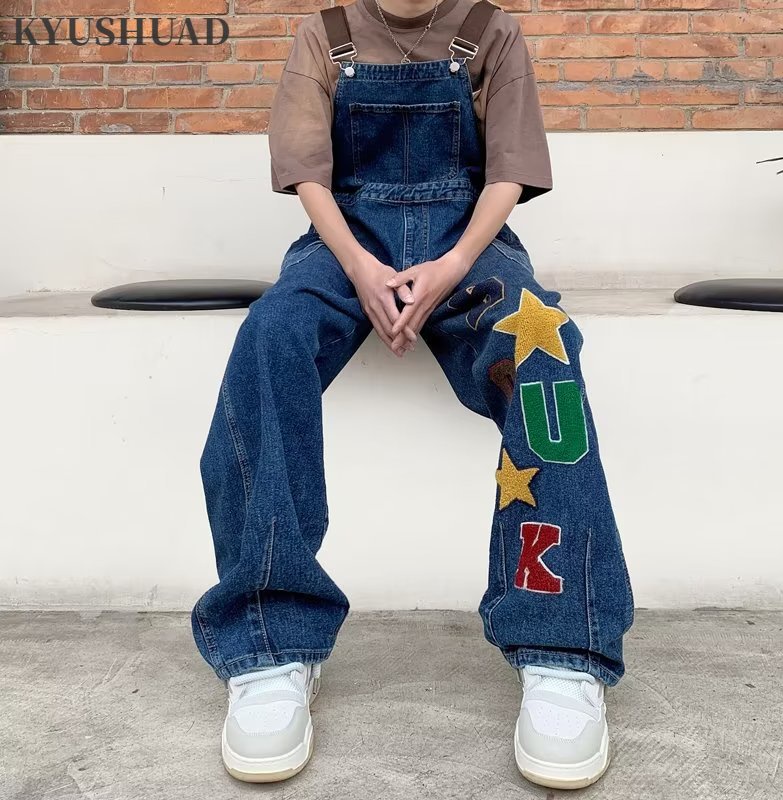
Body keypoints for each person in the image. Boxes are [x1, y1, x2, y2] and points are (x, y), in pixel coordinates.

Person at [190, 0, 635, 789]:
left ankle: (561, 645)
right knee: (268, 337)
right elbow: (308, 175)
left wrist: (453, 266)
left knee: (547, 353)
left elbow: (506, 174)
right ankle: (269, 640)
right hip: (344, 245)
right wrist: (362, 270)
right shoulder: (325, 35)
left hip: (471, 246)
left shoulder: (491, 31)